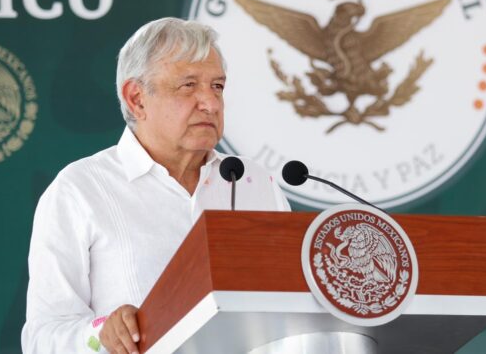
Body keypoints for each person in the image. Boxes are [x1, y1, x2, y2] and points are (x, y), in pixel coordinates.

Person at [21, 18, 290, 354]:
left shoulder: (253, 184)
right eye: (188, 85)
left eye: (217, 86)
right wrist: (102, 334)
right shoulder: (80, 190)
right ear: (136, 98)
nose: (211, 103)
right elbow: (43, 338)